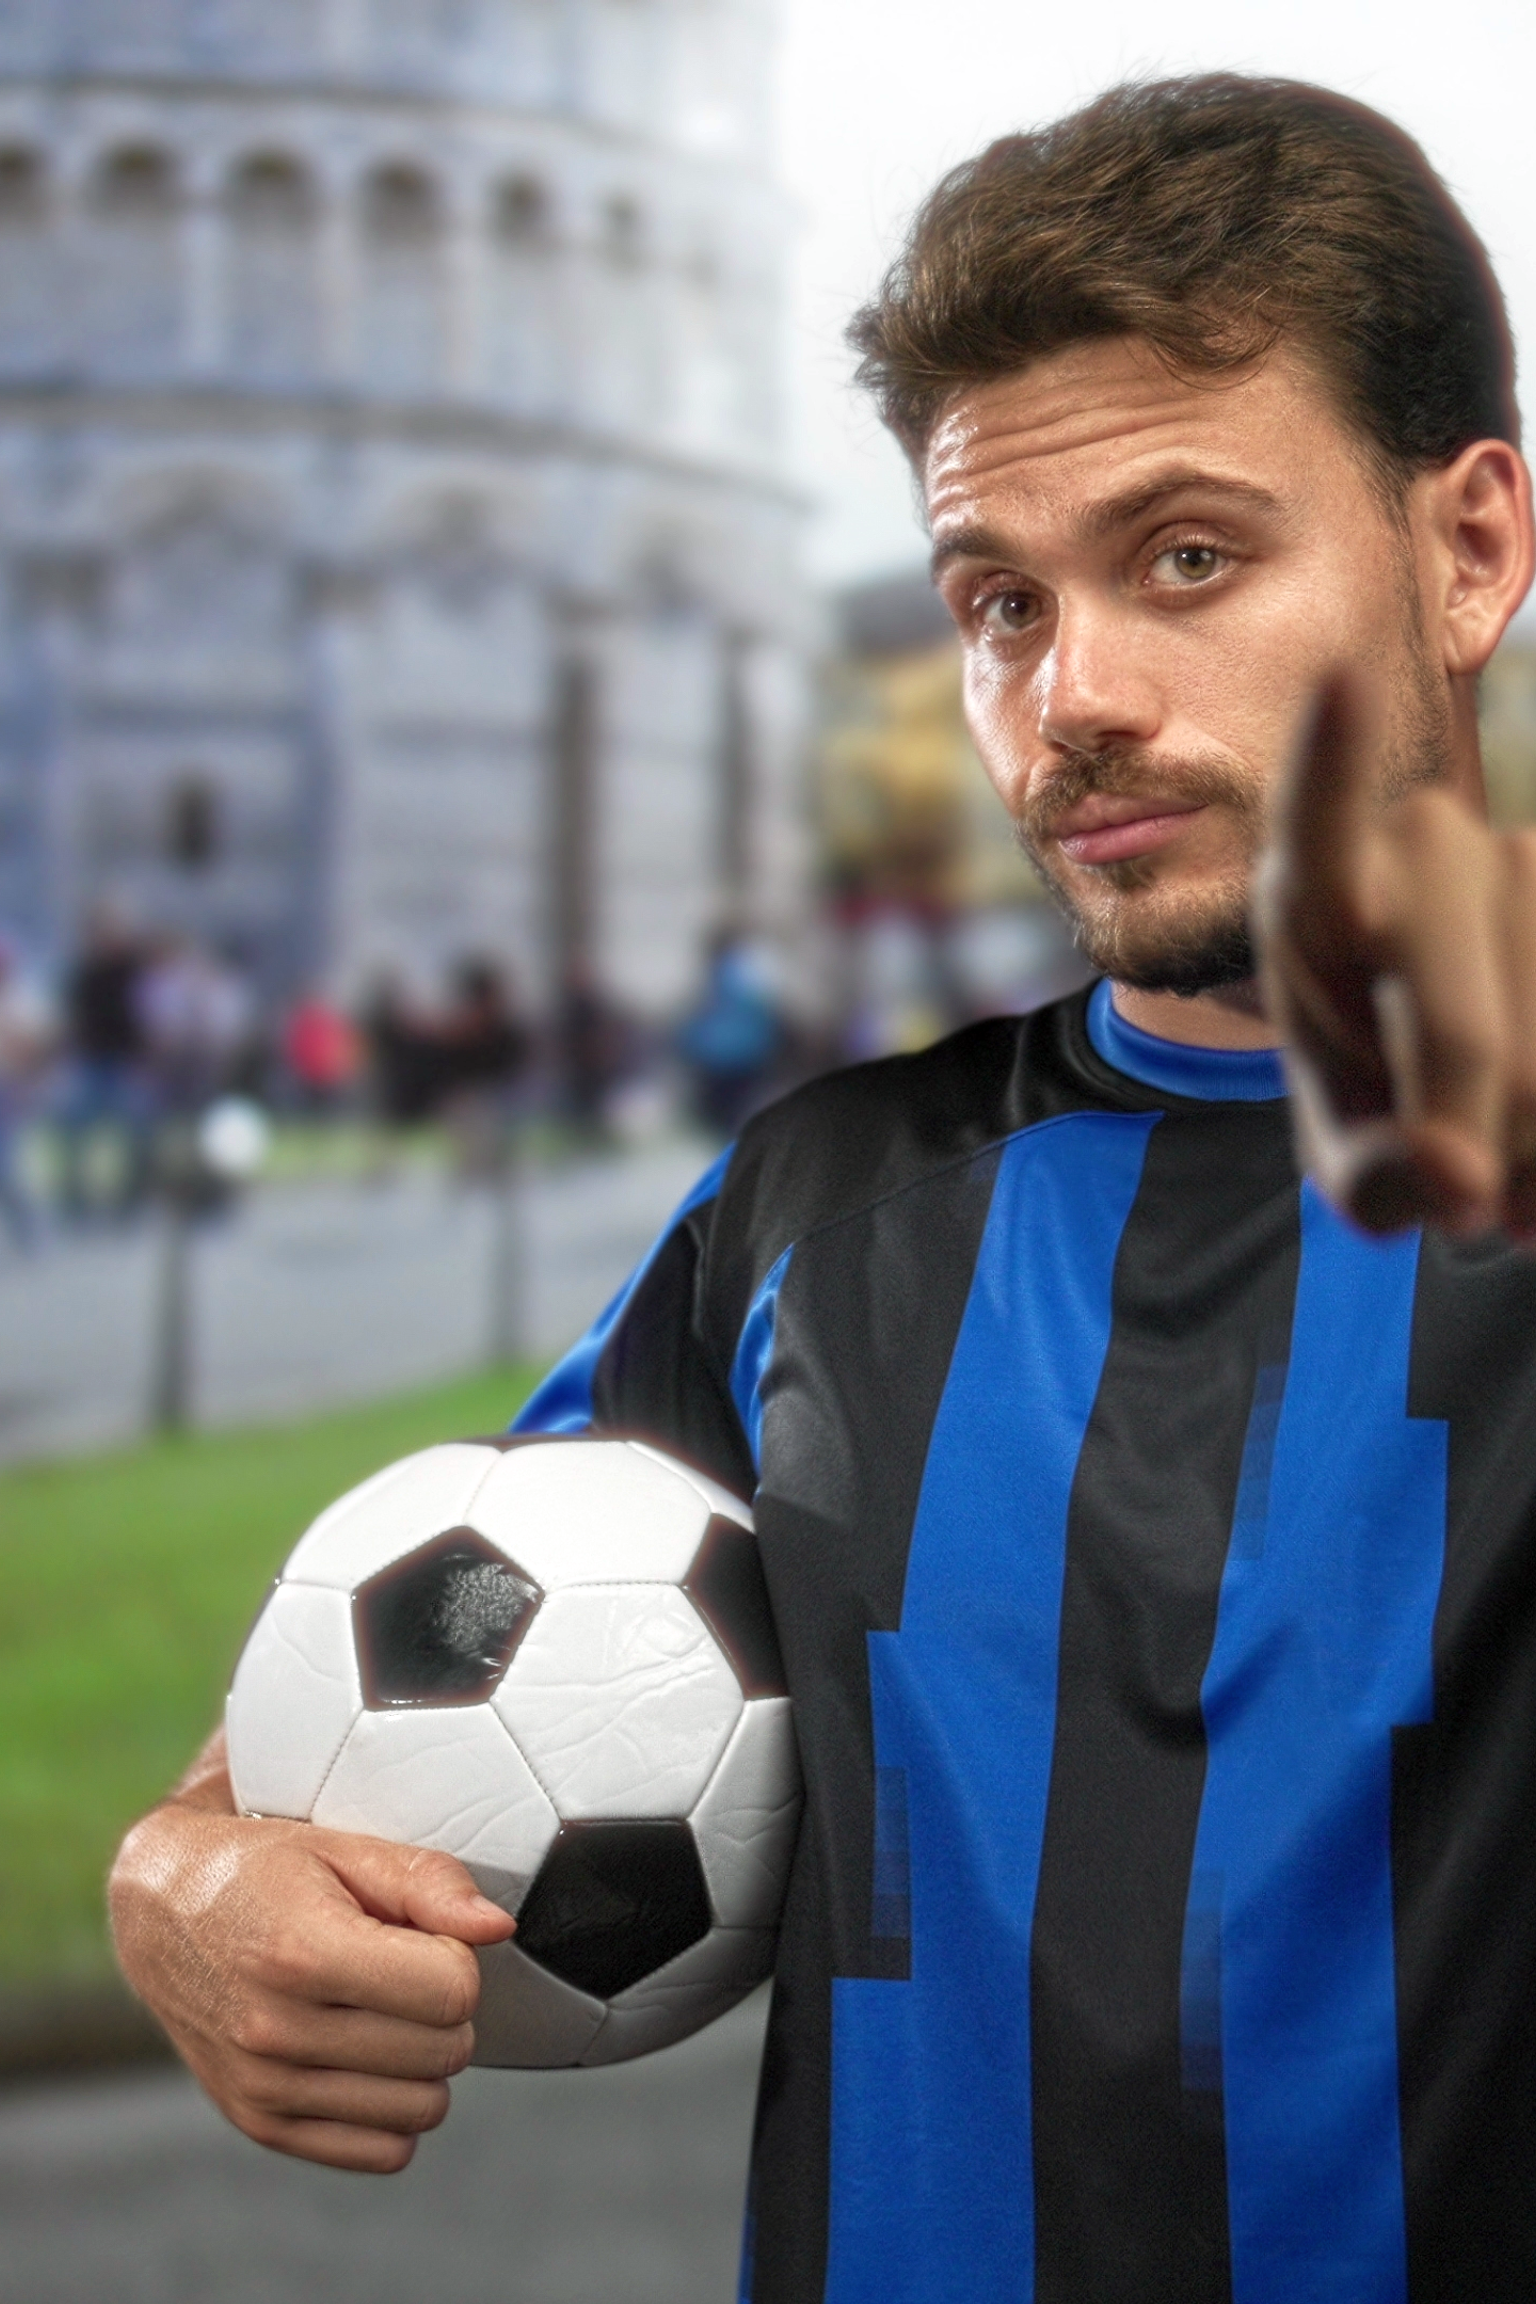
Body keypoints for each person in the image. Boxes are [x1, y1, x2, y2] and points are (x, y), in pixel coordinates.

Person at [109, 74, 1536, 2300]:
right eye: (995, 602)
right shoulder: (825, 1213)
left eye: (1187, 558)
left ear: (1470, 549)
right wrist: (187, 1894)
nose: (1073, 701)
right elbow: (356, 1709)